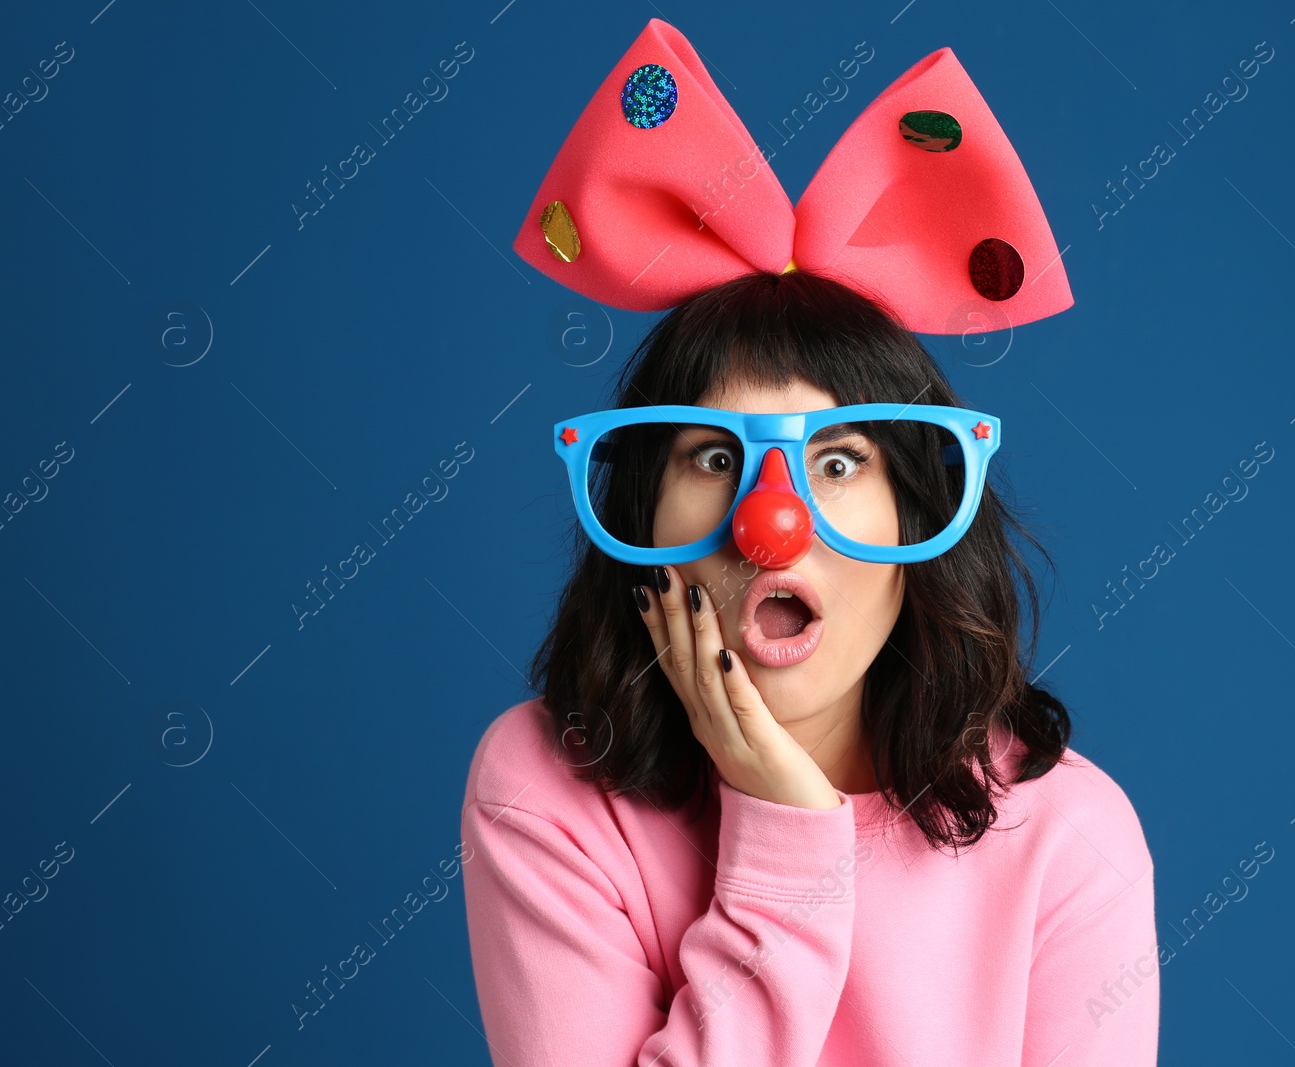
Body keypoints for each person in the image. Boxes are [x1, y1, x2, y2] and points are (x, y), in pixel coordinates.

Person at [461, 18, 1157, 1066]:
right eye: (709, 456)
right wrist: (781, 837)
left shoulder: (1072, 837)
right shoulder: (544, 789)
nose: (768, 521)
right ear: (643, 517)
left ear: (916, 517)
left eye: (836, 462)